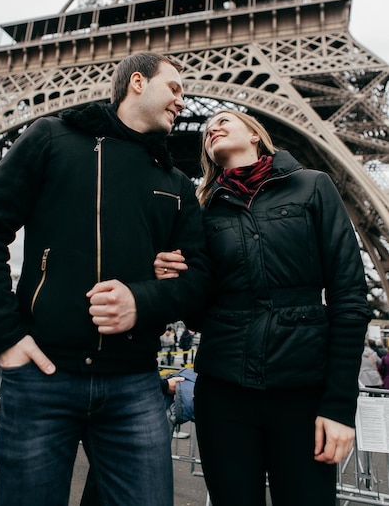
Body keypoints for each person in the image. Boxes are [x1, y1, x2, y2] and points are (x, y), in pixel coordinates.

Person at [0, 52, 211, 506]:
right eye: (175, 87)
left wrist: (141, 301)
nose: (183, 99)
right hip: (43, 373)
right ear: (137, 82)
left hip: (135, 384)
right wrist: (5, 335)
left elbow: (198, 280)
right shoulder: (50, 138)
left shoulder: (177, 183)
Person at [154, 109, 371, 506]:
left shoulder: (313, 187)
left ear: (255, 134)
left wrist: (339, 407)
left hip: (301, 392)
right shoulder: (203, 212)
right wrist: (176, 283)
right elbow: (201, 314)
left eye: (224, 120)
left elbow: (350, 297)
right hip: (224, 393)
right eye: (207, 129)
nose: (211, 128)